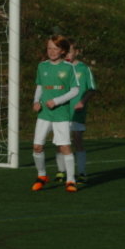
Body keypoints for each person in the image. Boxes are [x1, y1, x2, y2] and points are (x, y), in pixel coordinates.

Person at [31, 35, 80, 193]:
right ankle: (42, 176)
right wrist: (36, 101)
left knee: (64, 147)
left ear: (63, 51)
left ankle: (70, 180)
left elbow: (75, 90)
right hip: (44, 114)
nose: (51, 51)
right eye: (49, 48)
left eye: (55, 48)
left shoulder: (68, 67)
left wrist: (57, 101)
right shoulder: (42, 66)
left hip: (61, 115)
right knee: (37, 147)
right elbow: (40, 86)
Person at [54, 39, 96, 184]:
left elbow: (91, 89)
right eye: (65, 52)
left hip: (77, 111)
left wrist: (82, 102)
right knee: (61, 142)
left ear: (76, 52)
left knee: (77, 139)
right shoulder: (60, 68)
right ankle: (61, 171)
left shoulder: (84, 69)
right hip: (61, 110)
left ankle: (82, 172)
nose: (67, 55)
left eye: (70, 52)